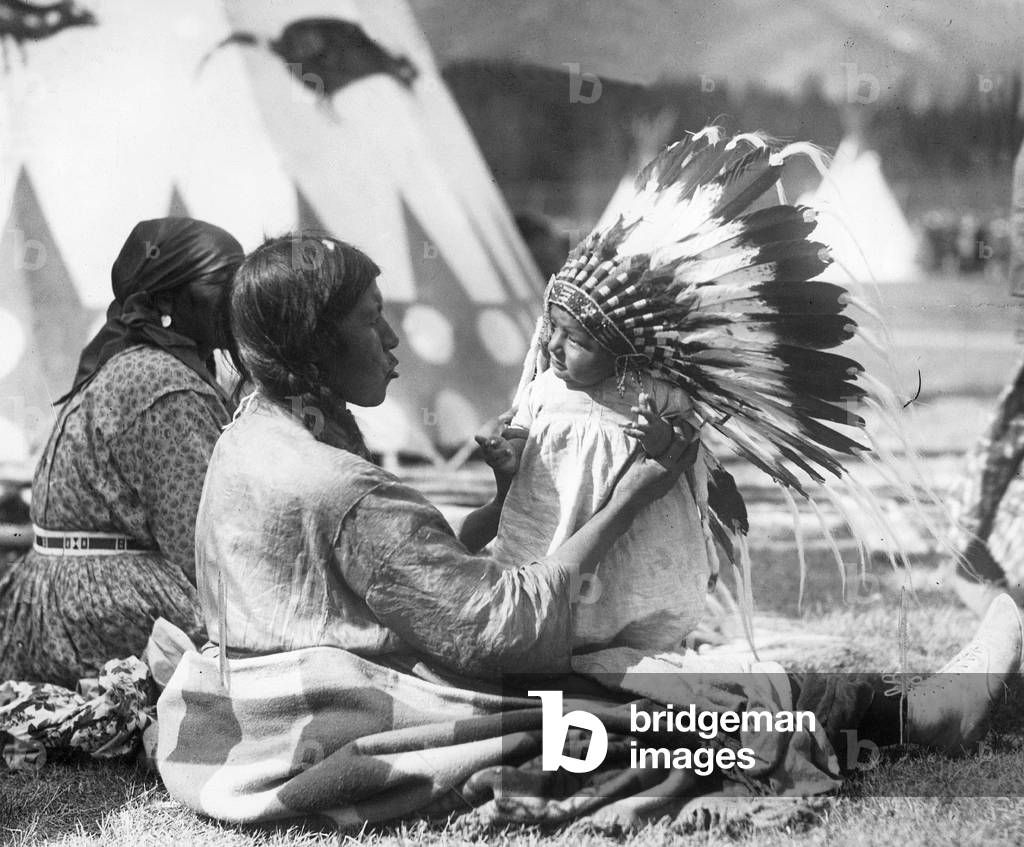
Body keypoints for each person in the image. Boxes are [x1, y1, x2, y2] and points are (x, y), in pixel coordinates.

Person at [156, 232, 1022, 831]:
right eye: (368, 318)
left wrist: (501, 500)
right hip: (361, 712)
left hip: (277, 700)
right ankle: (910, 719)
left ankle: (903, 702)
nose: (391, 339)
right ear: (312, 338)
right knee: (665, 712)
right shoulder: (337, 481)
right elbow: (513, 631)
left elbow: (397, 577)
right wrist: (634, 490)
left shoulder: (256, 432)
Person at [0, 217, 244, 687]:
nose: (240, 297)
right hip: (106, 607)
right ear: (168, 300)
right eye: (222, 282)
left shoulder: (134, 362)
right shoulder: (165, 384)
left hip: (56, 601)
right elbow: (202, 549)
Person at [462, 298, 712, 653]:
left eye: (577, 340)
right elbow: (521, 433)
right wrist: (506, 454)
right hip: (550, 517)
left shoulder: (653, 393)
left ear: (623, 351)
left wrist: (658, 435)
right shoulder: (545, 387)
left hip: (629, 532)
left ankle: (618, 647)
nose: (554, 345)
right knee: (546, 588)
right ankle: (558, 639)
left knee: (621, 592)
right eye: (554, 328)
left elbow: (679, 448)